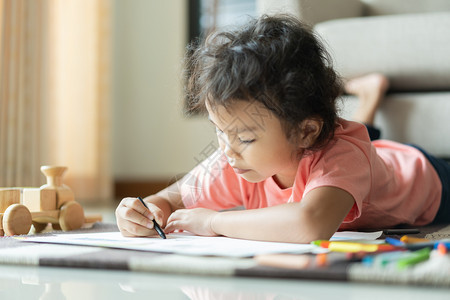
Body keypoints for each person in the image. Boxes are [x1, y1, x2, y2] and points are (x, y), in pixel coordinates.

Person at [115, 14, 449, 243]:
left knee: (355, 146)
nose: (226, 150)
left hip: (427, 179)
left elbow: (310, 223)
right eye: (219, 130)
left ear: (306, 132)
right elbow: (170, 198)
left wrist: (214, 222)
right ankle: (371, 98)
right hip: (370, 162)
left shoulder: (342, 154)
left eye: (245, 137)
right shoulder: (237, 157)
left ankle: (371, 102)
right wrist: (144, 210)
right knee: (364, 146)